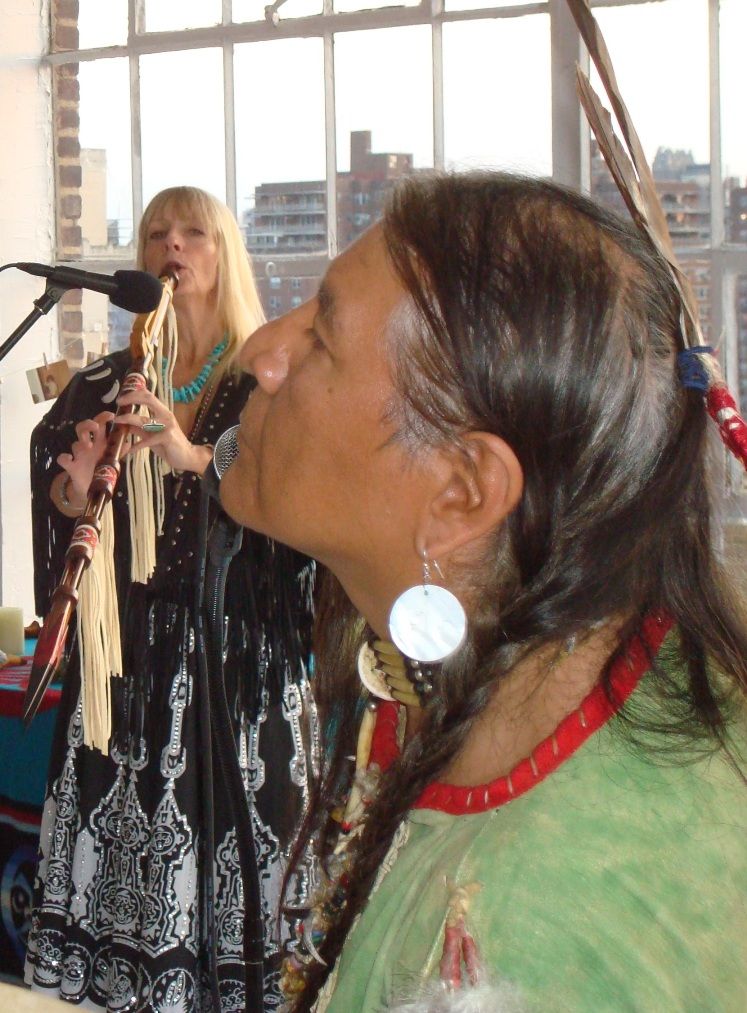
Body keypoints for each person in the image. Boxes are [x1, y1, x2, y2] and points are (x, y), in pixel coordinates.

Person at [220, 172, 747, 1012]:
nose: (261, 352)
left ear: (462, 493)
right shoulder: (597, 653)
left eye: (320, 335)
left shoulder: (540, 935)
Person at [25, 186, 317, 1010]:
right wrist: (76, 492)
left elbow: (301, 510)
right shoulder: (106, 382)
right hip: (127, 671)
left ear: (225, 253)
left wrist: (195, 457)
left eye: (193, 232)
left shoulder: (268, 379)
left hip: (232, 672)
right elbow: (60, 499)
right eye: (157, 232)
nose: (172, 246)